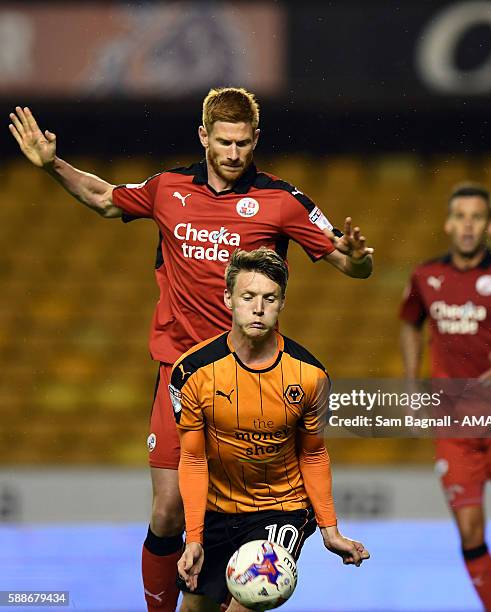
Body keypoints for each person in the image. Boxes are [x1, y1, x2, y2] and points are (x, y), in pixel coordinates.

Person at [8, 88, 374, 611]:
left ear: (256, 140)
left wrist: (360, 258)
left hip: (250, 380)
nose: (232, 154)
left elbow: (350, 262)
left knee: (237, 517)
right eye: (223, 142)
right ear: (204, 136)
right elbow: (104, 198)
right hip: (179, 376)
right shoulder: (168, 189)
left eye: (243, 144)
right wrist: (52, 166)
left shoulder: (281, 201)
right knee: (167, 514)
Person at [172, 247, 370, 612]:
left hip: (281, 508)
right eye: (248, 297)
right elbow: (193, 458)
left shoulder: (311, 376)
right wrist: (194, 538)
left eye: (270, 298)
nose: (258, 308)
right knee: (194, 609)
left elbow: (313, 453)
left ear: (282, 303)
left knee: (248, 601)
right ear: (228, 298)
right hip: (217, 507)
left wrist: (330, 531)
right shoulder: (191, 372)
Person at [399, 184, 491, 612]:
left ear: (490, 226)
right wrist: (413, 382)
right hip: (453, 427)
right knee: (470, 532)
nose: (468, 225)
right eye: (461, 216)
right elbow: (410, 322)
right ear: (448, 224)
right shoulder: (425, 277)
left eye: (476, 217)